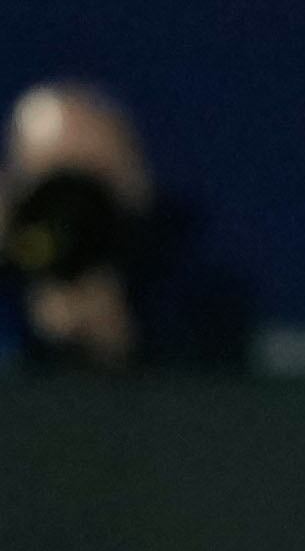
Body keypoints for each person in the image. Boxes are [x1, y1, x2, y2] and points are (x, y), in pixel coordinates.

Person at [0, 82, 258, 372]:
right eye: (57, 187)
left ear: (135, 179)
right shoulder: (10, 274)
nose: (76, 213)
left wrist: (120, 341)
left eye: (93, 187)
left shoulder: (196, 275)